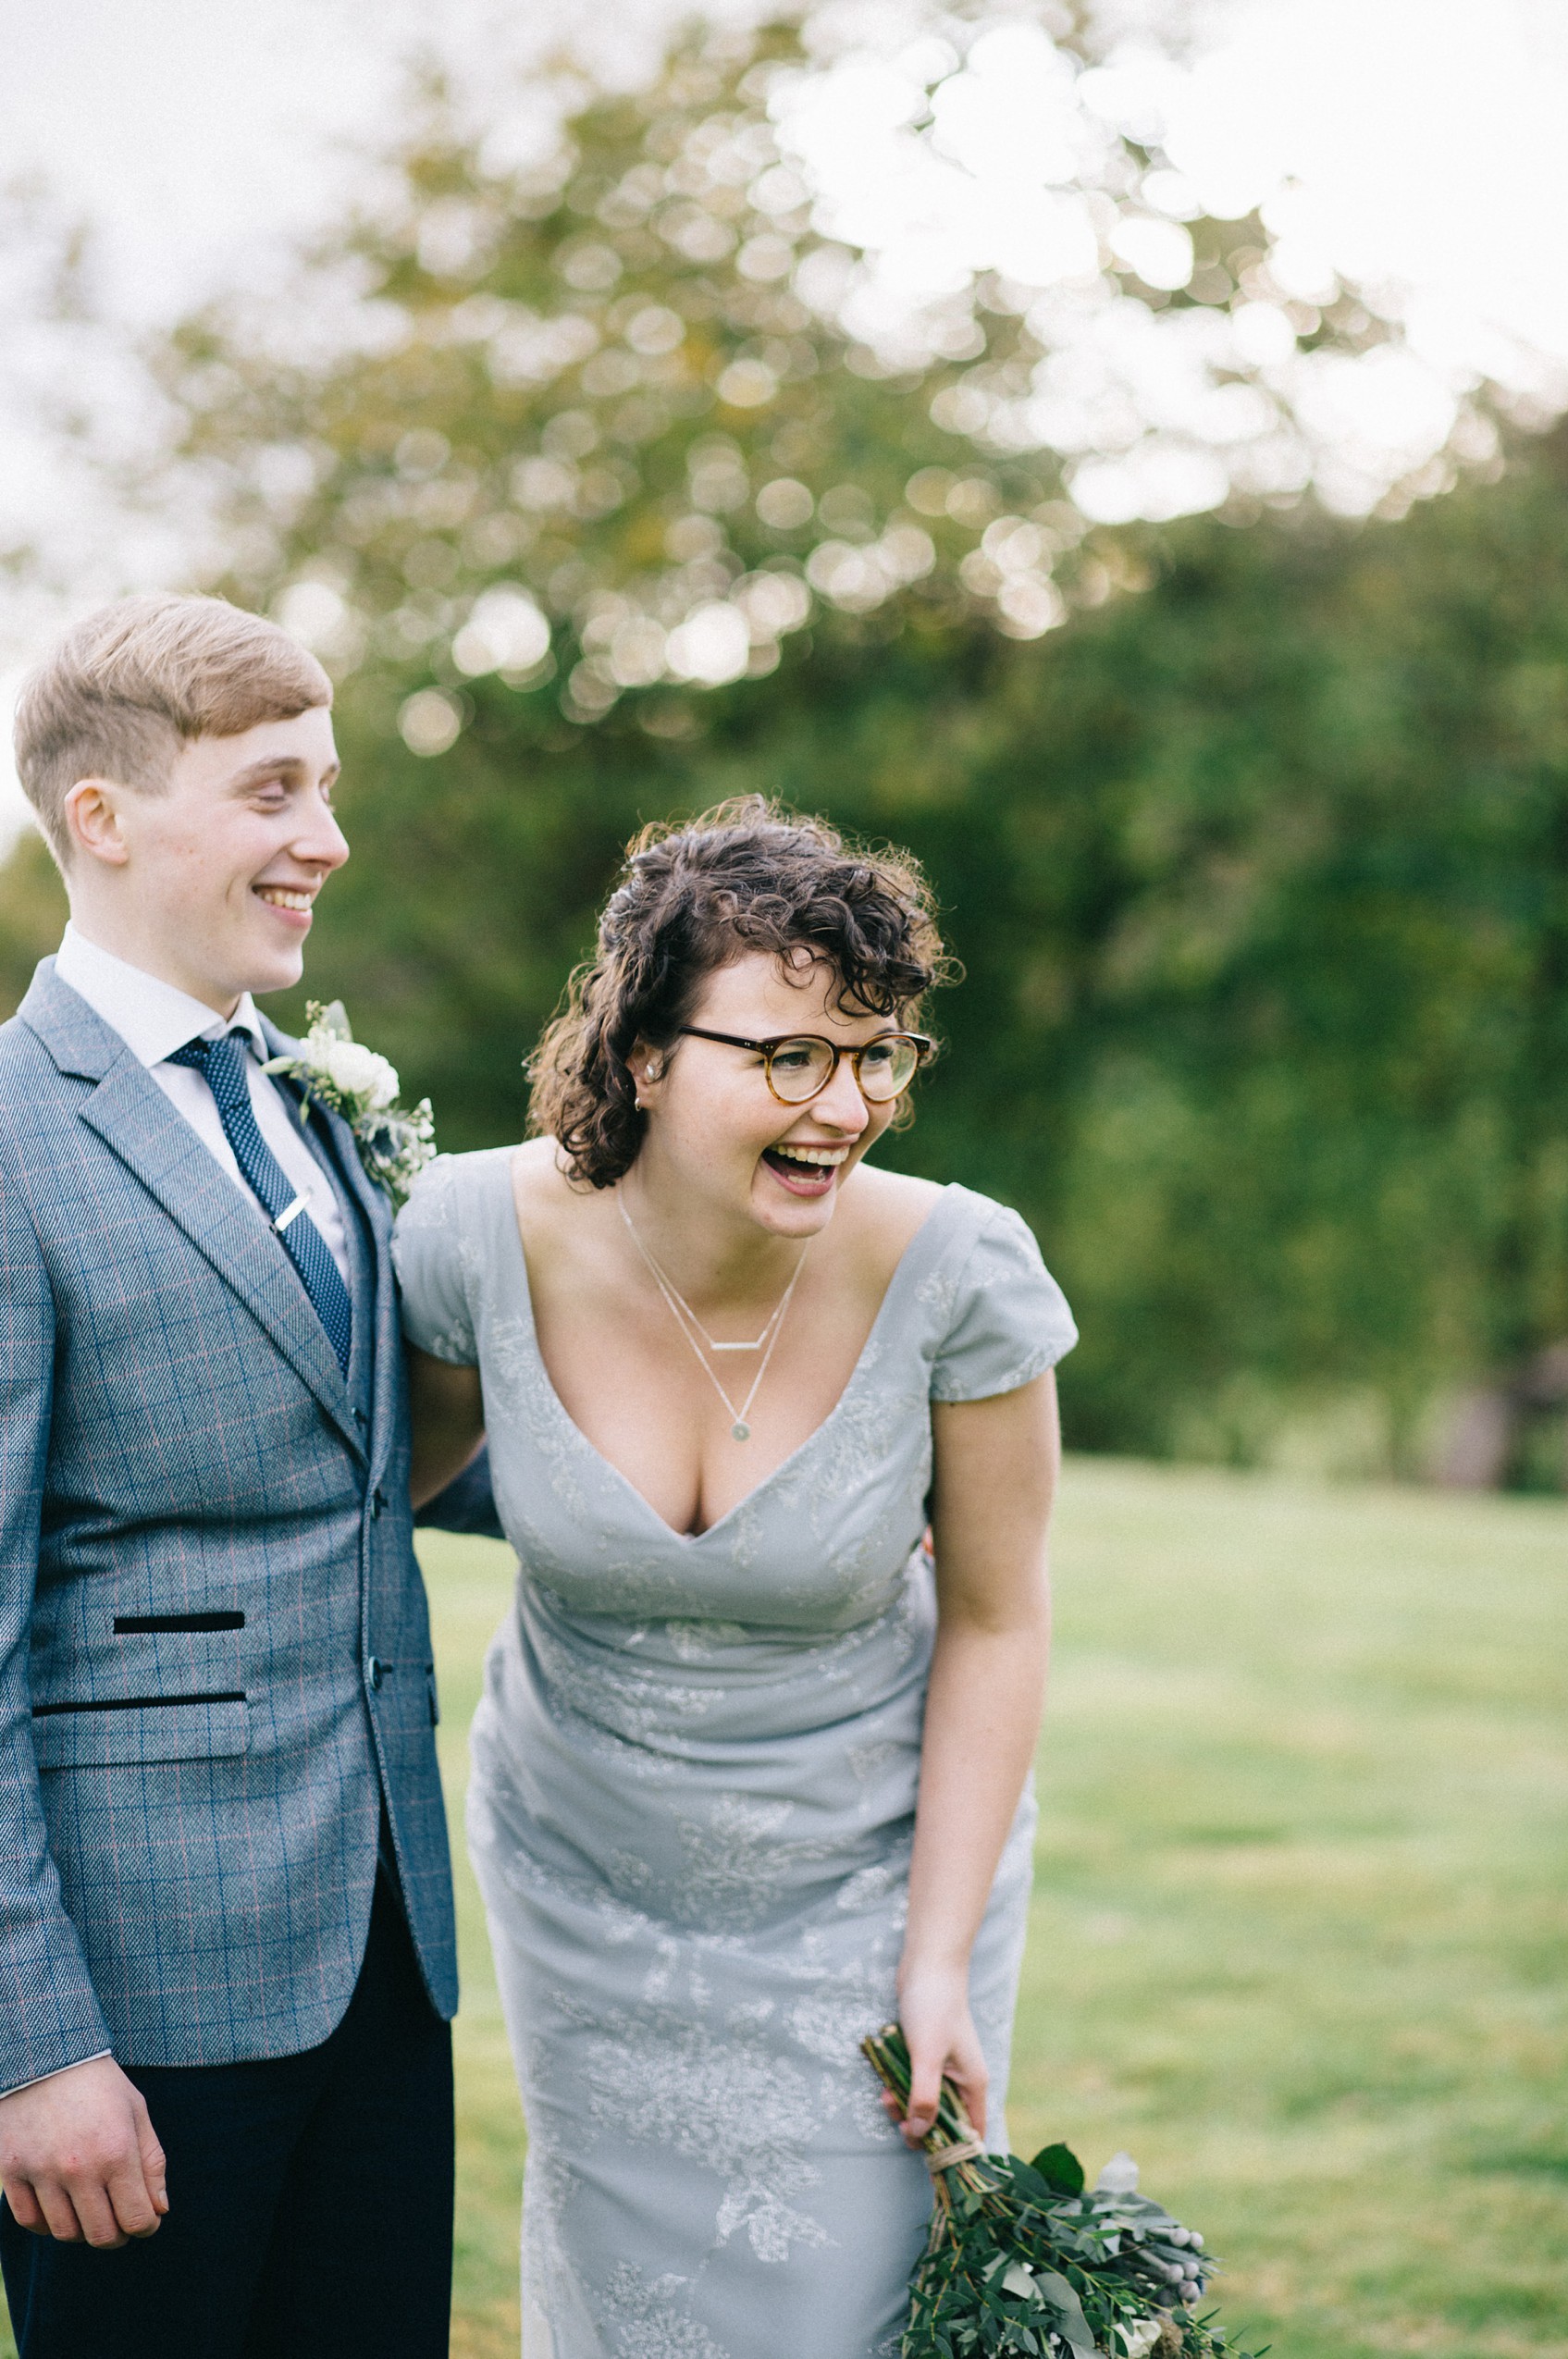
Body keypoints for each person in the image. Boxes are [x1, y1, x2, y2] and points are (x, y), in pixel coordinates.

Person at [396, 800, 1076, 2357]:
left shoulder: (959, 1272)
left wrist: (936, 1956)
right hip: (582, 1880)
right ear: (642, 1051)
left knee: (846, 2309)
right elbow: (371, 1500)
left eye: (875, 1053)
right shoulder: (469, 1239)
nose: (843, 1104)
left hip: (868, 1885)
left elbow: (997, 1616)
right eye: (790, 1055)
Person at [0, 594, 461, 2358]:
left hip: (382, 1952)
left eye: (328, 788)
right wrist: (33, 2043)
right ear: (103, 818)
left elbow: (364, 1467)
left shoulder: (310, 1100)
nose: (326, 839)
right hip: (138, 2002)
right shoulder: (19, 1142)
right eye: (274, 792)